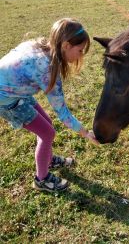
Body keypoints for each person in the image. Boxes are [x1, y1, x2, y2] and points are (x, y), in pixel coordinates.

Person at [0, 18, 99, 193]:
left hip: (15, 92)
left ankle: (48, 159)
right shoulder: (46, 68)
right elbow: (62, 112)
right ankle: (42, 179)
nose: (81, 55)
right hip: (6, 99)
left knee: (47, 126)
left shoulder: (39, 45)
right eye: (80, 50)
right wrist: (86, 133)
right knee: (48, 133)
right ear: (66, 45)